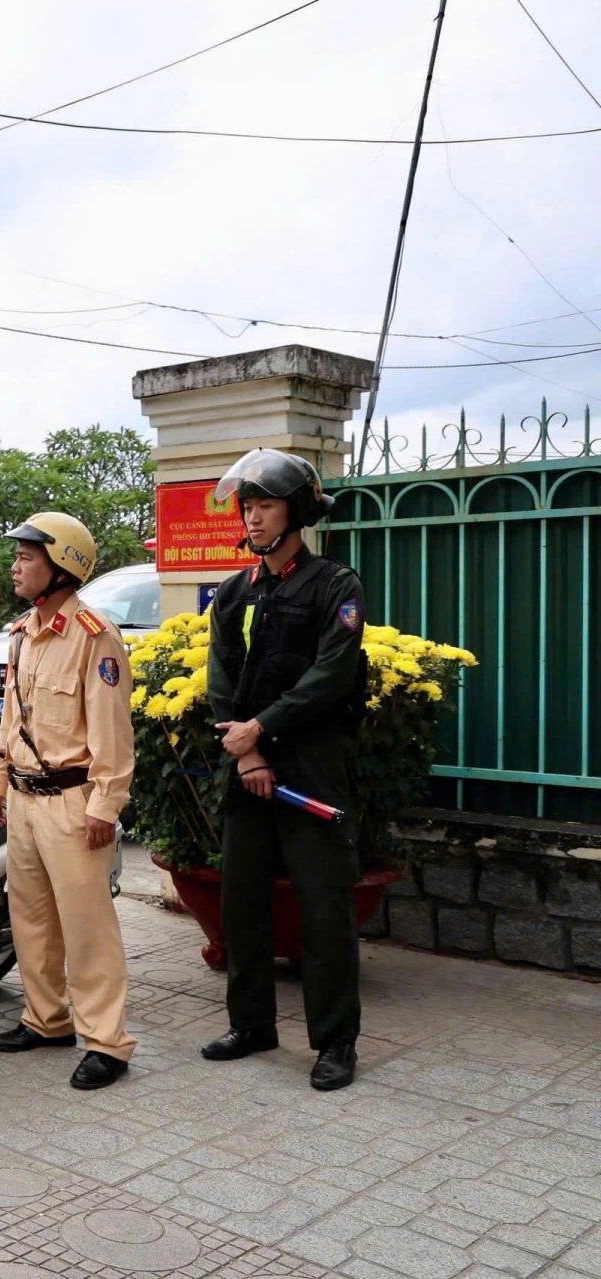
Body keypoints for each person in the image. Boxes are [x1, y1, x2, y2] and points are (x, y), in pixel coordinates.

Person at [200, 449, 367, 1092]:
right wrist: (246, 751)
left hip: (311, 769)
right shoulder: (236, 590)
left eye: (265, 505)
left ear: (296, 511)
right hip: (247, 767)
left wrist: (262, 730)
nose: (252, 517)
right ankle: (251, 1025)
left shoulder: (334, 585)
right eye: (247, 506)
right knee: (241, 904)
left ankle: (335, 1041)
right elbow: (221, 677)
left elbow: (332, 676)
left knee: (324, 909)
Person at [0, 512, 137, 1091]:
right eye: (18, 556)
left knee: (86, 926)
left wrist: (105, 806)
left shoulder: (95, 637)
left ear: (62, 567)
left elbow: (113, 734)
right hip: (24, 798)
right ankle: (46, 1019)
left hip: (74, 801)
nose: (15, 566)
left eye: (27, 558)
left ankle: (107, 1042)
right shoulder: (22, 633)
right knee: (31, 920)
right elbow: (12, 718)